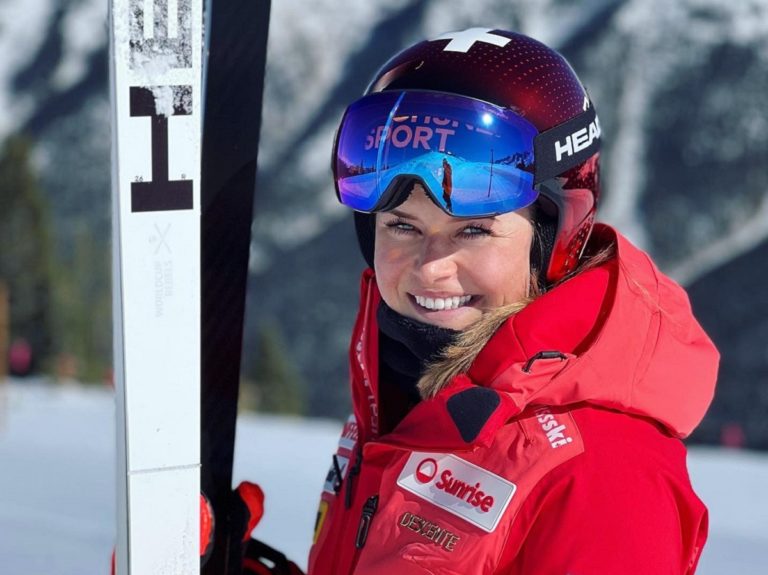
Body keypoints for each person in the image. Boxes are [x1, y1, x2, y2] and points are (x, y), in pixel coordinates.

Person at [241, 27, 719, 574]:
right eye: (401, 225)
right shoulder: (408, 398)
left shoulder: (602, 477)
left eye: (472, 231)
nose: (429, 265)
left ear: (552, 240)